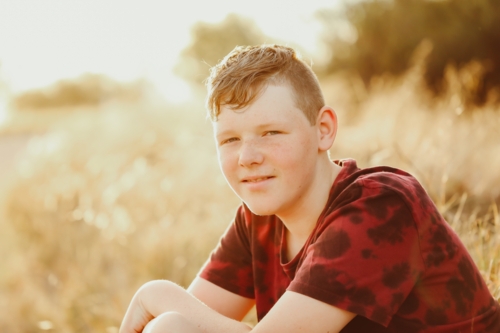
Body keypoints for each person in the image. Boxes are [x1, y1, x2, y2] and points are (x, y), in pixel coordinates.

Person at [119, 44, 500, 333]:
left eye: (271, 132)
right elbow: (189, 320)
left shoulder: (381, 204)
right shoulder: (258, 221)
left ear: (323, 130)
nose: (247, 156)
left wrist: (154, 293)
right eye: (230, 140)